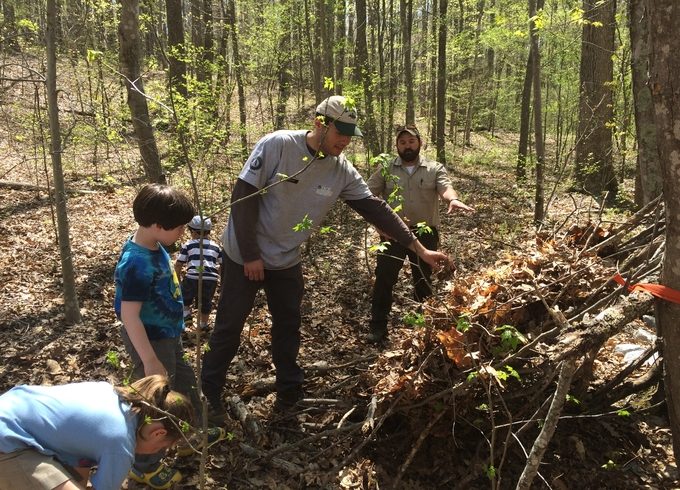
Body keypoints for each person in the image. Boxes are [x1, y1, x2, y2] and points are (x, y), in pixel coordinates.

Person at [201, 95, 451, 417]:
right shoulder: (277, 145)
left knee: (288, 327)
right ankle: (209, 393)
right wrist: (250, 255)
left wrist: (420, 250)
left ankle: (288, 397)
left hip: (286, 259)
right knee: (228, 327)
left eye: (350, 135)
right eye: (340, 133)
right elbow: (243, 195)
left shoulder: (340, 170)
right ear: (320, 123)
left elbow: (377, 209)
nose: (345, 141)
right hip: (243, 254)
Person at [114, 184, 225, 488]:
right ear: (158, 225)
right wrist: (149, 359)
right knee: (156, 401)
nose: (182, 232)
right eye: (178, 227)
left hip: (168, 336)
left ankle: (187, 436)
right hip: (150, 342)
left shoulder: (156, 246)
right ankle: (144, 464)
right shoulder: (136, 262)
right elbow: (129, 316)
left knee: (185, 384)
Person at [366, 124, 473, 342]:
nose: (407, 146)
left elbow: (445, 187)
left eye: (411, 142)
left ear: (419, 143)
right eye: (402, 142)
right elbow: (366, 193)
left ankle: (423, 326)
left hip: (426, 233)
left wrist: (453, 199)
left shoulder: (434, 168)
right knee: (384, 279)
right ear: (397, 145)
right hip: (392, 232)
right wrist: (377, 222)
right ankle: (377, 327)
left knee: (423, 280)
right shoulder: (386, 168)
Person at [0, 375, 194, 490]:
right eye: (162, 448)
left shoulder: (109, 393)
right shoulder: (120, 444)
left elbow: (79, 466)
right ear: (158, 434)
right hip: (9, 442)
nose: (155, 453)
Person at [175, 215, 224, 330]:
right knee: (206, 302)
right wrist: (222, 280)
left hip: (192, 277)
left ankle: (186, 314)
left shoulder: (188, 244)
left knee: (185, 296)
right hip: (211, 278)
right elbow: (222, 265)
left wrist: (177, 278)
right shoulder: (216, 246)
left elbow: (179, 263)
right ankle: (203, 324)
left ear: (193, 232)